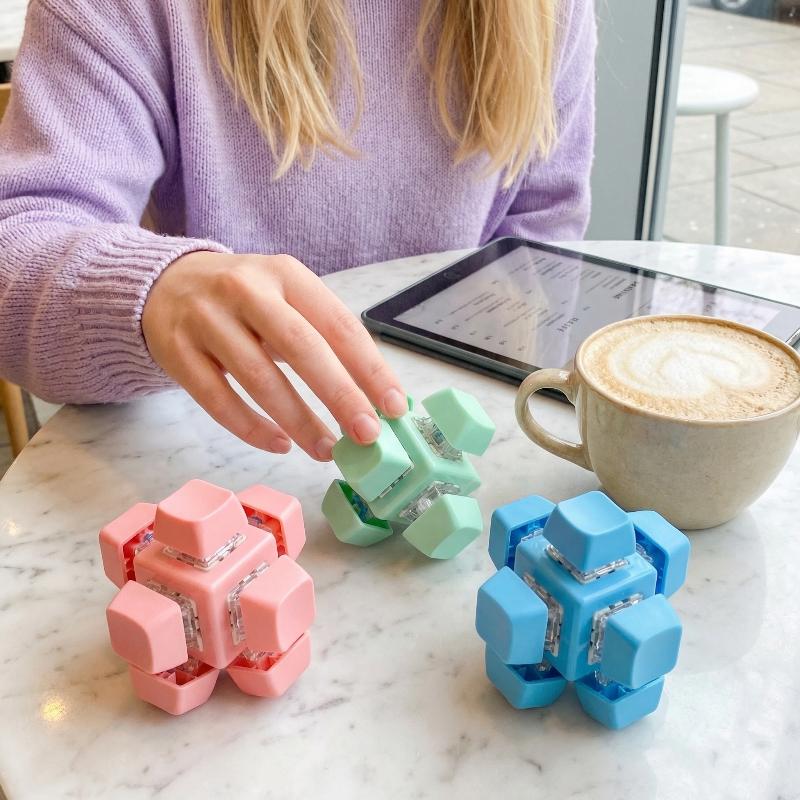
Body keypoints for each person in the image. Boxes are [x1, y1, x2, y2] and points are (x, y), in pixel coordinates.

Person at [0, 0, 596, 462]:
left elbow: (542, 232)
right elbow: (19, 245)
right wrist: (152, 291)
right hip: (213, 446)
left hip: (465, 436)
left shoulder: (548, 12)